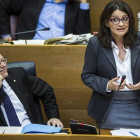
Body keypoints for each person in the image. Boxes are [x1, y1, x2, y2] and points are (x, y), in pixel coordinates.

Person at [81, 0, 140, 129]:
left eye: (125, 18)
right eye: (115, 20)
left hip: (137, 101)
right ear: (107, 22)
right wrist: (107, 84)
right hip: (110, 104)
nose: (121, 23)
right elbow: (87, 76)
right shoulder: (95, 43)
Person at [0, 54, 63, 127]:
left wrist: (53, 117)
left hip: (30, 130)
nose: (3, 65)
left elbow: (46, 90)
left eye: (3, 60)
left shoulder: (18, 74)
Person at [0, 0, 91, 40]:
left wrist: (83, 3)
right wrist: (5, 34)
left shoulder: (74, 6)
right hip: (30, 47)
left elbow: (83, 35)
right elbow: (2, 5)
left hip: (62, 51)